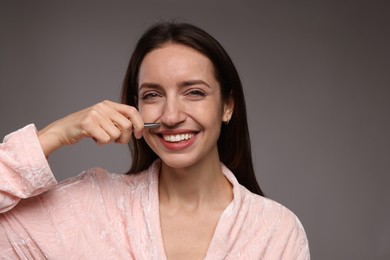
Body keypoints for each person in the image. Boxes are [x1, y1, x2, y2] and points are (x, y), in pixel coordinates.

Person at [0, 21, 310, 259]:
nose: (171, 115)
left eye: (194, 92)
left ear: (227, 106)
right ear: (134, 106)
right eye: (152, 95)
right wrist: (55, 134)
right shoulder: (93, 205)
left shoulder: (277, 231)